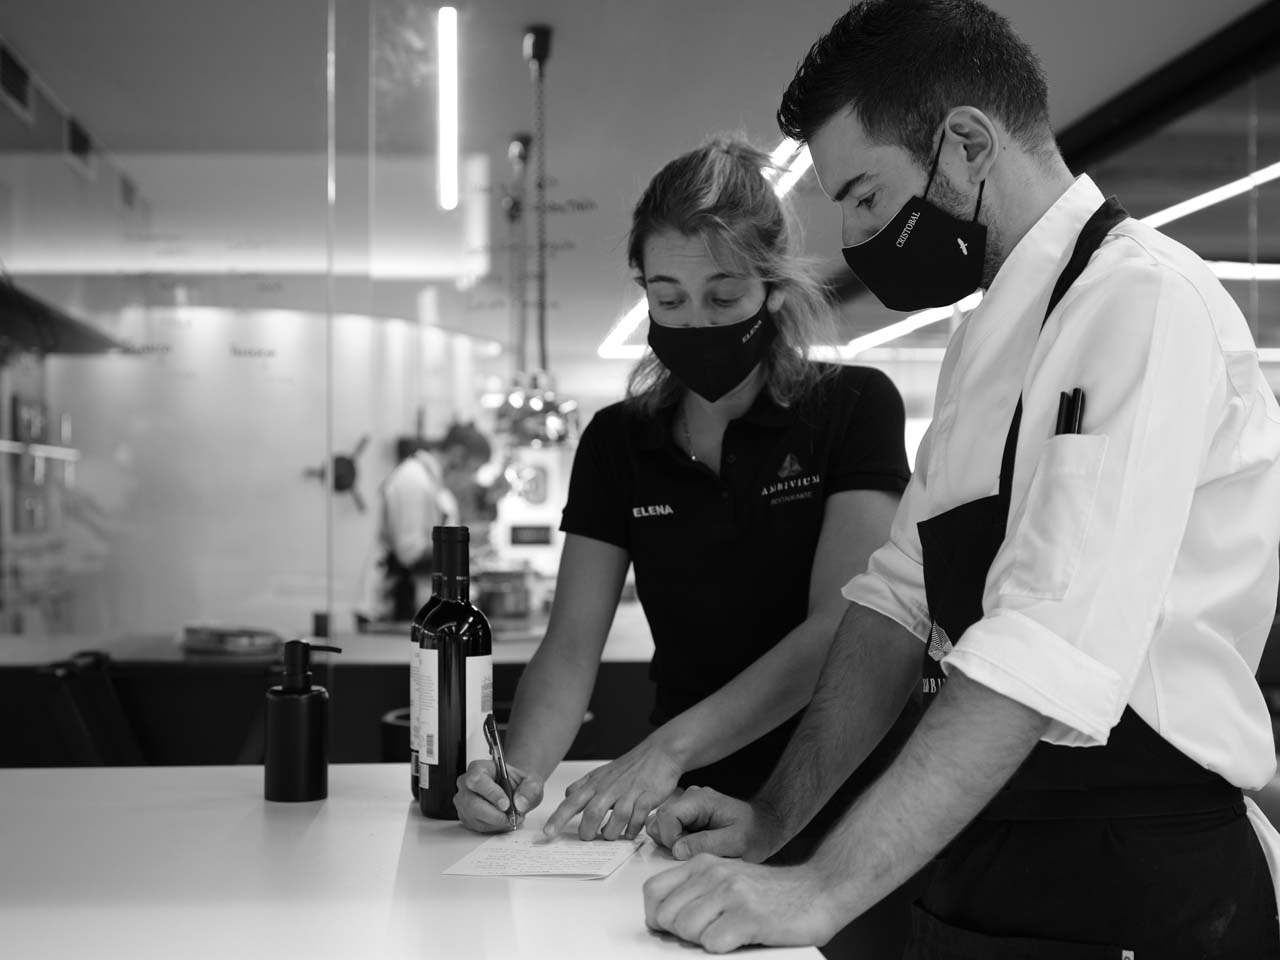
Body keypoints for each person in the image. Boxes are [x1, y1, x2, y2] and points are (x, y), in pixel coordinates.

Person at [641, 2, 1280, 957]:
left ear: (969, 144)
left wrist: (820, 888)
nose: (854, 235)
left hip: (1135, 867)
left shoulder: (1141, 303)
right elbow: (897, 603)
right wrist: (775, 820)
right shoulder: (986, 339)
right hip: (985, 843)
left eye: (865, 196)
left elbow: (1046, 641)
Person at [455, 138, 918, 897]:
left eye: (723, 297)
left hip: (836, 791)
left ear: (772, 289)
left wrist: (665, 749)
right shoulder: (618, 442)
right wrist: (515, 776)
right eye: (669, 300)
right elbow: (569, 650)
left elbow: (840, 628)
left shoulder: (852, 409)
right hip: (685, 808)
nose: (695, 323)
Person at [359, 422, 492, 624]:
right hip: (392, 608)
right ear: (457, 454)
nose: (471, 479)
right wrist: (459, 541)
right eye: (473, 470)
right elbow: (409, 553)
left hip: (414, 607)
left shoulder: (435, 484)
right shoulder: (413, 480)